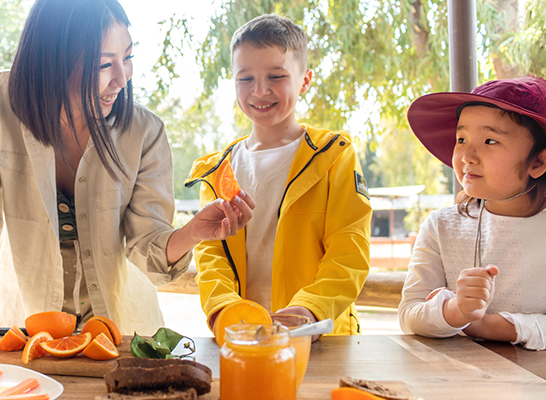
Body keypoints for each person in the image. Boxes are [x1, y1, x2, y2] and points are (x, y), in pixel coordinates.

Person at [0, 0, 254, 343]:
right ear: (51, 60)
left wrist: (192, 231)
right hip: (26, 324)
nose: (122, 77)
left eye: (128, 57)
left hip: (124, 331)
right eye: (104, 64)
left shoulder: (145, 132)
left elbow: (145, 245)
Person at [185, 14, 372, 338]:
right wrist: (223, 309)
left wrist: (310, 309)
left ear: (305, 80)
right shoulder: (218, 170)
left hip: (321, 338)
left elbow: (350, 249)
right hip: (244, 339)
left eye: (275, 75)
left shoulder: (334, 156)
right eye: (245, 79)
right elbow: (210, 256)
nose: (260, 90)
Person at [399, 77, 546, 350]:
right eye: (461, 139)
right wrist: (456, 311)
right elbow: (409, 314)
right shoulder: (441, 226)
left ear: (538, 161)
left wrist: (491, 326)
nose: (467, 155)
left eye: (490, 140)